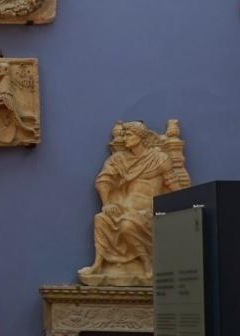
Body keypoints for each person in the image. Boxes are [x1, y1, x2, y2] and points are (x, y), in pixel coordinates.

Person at [78, 121, 190, 286]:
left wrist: (183, 207)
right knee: (100, 219)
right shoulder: (119, 159)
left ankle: (147, 262)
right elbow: (103, 181)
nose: (124, 139)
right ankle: (98, 264)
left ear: (140, 136)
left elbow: (174, 186)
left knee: (127, 224)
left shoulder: (159, 159)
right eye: (123, 135)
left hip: (148, 210)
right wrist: (107, 204)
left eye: (128, 135)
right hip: (124, 207)